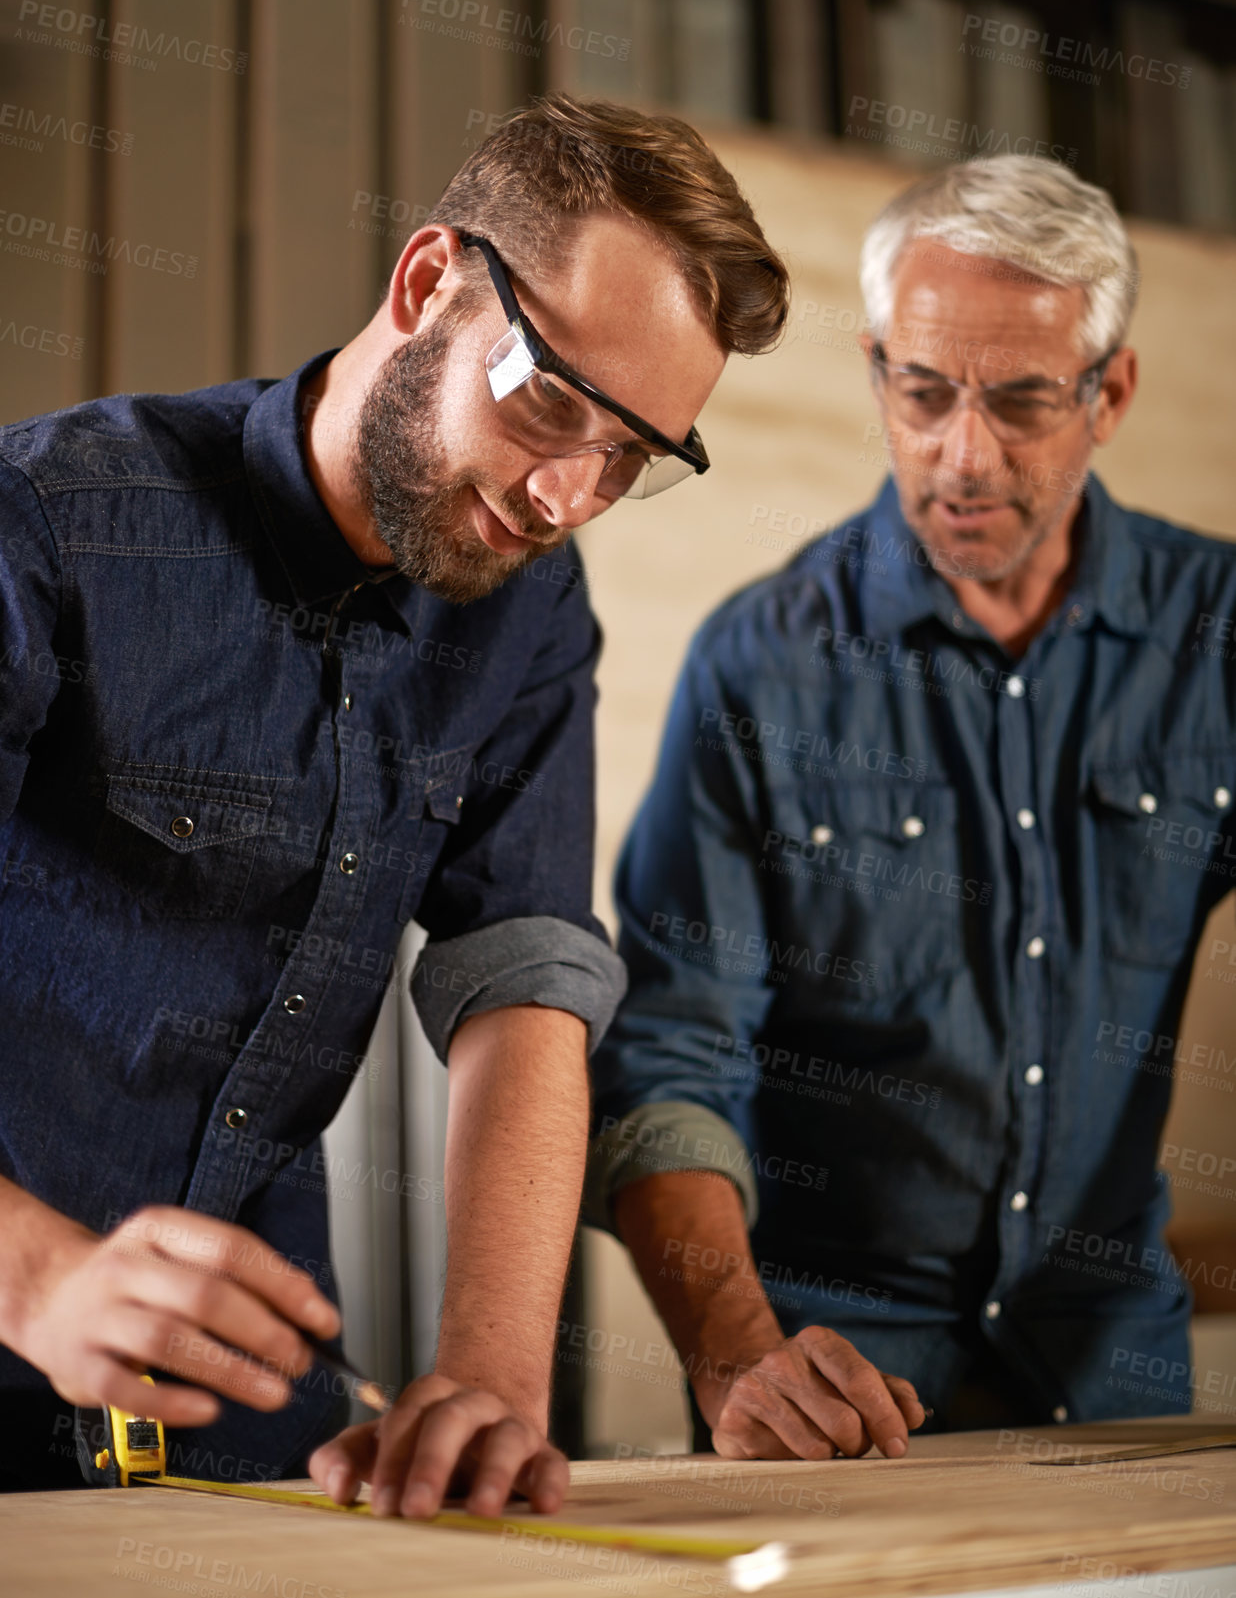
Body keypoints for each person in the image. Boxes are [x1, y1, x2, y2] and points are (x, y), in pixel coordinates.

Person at [0, 93, 789, 1509]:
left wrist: (492, 1374)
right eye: (554, 400)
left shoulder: (531, 615)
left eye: (633, 460)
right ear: (427, 282)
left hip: (259, 1419)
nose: (567, 494)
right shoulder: (52, 524)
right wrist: (39, 1270)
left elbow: (526, 984)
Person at [587, 153, 1235, 1462]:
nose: (963, 453)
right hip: (827, 1386)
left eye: (1022, 401)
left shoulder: (1215, 634)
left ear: (1110, 392)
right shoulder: (759, 666)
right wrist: (733, 1348)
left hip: (1113, 1378)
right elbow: (671, 1054)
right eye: (924, 393)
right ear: (879, 368)